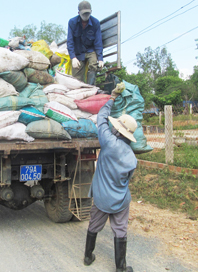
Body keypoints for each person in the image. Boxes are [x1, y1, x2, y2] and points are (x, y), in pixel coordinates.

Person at [84, 82, 137, 272]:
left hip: (101, 197)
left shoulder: (107, 141)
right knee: (120, 230)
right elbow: (128, 179)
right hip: (121, 198)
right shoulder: (132, 157)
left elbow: (101, 117)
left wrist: (112, 98)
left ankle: (88, 256)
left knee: (94, 225)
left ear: (117, 129)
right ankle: (121, 268)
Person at [67, 0, 104, 85]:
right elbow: (70, 41)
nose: (86, 16)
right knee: (76, 74)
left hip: (91, 50)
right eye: (84, 14)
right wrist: (73, 58)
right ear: (78, 12)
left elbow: (98, 42)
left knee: (93, 64)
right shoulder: (72, 22)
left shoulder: (95, 23)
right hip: (78, 52)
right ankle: (80, 90)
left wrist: (100, 59)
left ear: (91, 12)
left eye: (88, 13)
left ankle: (91, 88)